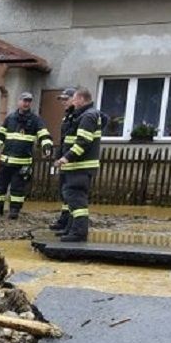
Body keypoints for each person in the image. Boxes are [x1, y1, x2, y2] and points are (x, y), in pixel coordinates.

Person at [0, 92, 52, 219]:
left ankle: (14, 212)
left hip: (23, 163)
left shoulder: (35, 120)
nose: (26, 103)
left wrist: (46, 146)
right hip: (6, 161)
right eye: (24, 101)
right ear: (19, 102)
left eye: (29, 101)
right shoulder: (10, 118)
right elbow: (0, 136)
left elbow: (44, 134)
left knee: (18, 189)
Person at [54, 87, 102, 242]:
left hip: (81, 166)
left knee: (76, 199)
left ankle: (79, 233)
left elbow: (83, 142)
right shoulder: (82, 115)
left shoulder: (88, 116)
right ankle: (71, 229)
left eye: (74, 98)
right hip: (77, 166)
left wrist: (66, 157)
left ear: (81, 99)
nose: (72, 102)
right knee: (71, 197)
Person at [49, 88, 79, 233]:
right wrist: (58, 157)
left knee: (71, 194)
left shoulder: (79, 116)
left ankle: (70, 224)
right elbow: (63, 140)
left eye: (66, 99)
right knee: (64, 193)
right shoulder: (67, 117)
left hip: (73, 161)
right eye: (62, 100)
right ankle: (64, 220)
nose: (63, 103)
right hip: (65, 160)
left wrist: (66, 157)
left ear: (75, 99)